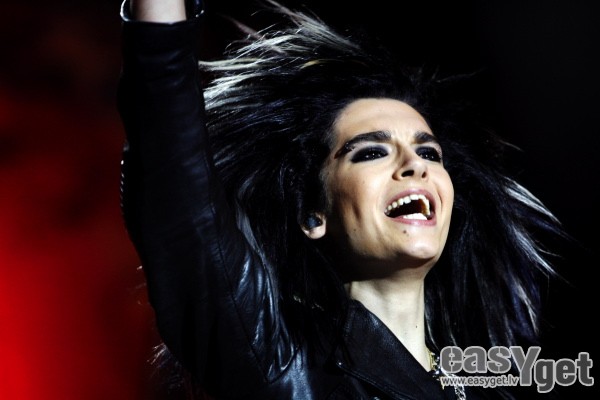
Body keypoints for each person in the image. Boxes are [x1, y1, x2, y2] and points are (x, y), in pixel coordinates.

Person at [117, 0, 567, 398]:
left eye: (429, 152)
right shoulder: (283, 363)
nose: (415, 165)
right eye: (371, 152)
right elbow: (177, 183)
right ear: (314, 216)